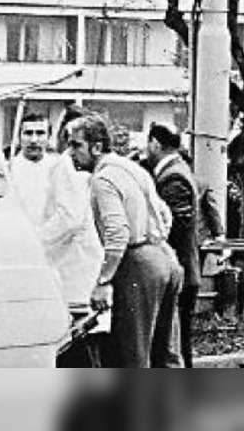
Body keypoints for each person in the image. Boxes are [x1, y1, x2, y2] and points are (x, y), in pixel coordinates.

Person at [66, 114, 183, 368]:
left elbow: (117, 233)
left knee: (133, 354)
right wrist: (154, 241)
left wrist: (103, 281)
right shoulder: (132, 168)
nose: (70, 153)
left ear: (97, 147)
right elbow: (165, 214)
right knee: (166, 353)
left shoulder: (103, 179)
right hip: (165, 257)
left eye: (76, 145)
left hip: (138, 263)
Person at [5, 112, 103, 310]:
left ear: (48, 137)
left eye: (40, 133)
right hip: (19, 253)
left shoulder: (60, 166)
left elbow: (70, 218)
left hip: (55, 256)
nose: (34, 140)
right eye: (28, 133)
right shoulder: (7, 170)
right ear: (19, 137)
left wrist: (38, 241)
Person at [144, 122, 200, 367]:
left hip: (177, 271)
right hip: (183, 271)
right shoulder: (179, 169)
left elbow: (173, 227)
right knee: (178, 346)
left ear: (155, 144)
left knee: (175, 348)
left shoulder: (173, 176)